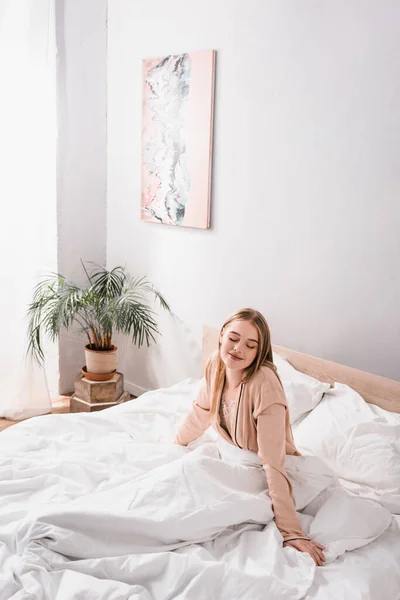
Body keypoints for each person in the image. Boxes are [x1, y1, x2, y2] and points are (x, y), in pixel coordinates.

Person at [174, 308, 326, 566]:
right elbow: (201, 412)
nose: (238, 349)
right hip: (231, 459)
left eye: (250, 345)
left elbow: (273, 461)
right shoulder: (215, 364)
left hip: (266, 470)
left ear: (259, 351)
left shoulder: (264, 383)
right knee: (181, 478)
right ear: (221, 335)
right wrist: (175, 446)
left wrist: (291, 532)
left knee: (192, 489)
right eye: (233, 338)